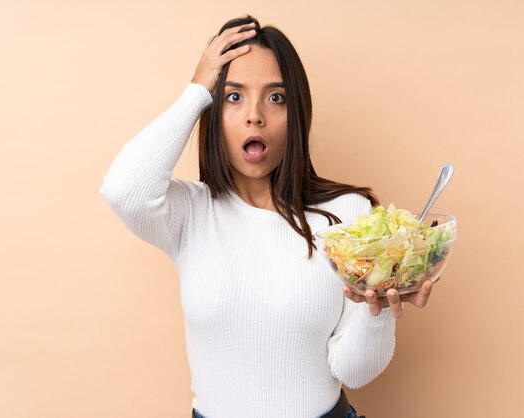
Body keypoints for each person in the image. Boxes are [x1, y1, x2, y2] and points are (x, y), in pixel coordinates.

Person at [100, 15, 432, 418]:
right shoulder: (190, 212)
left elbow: (354, 371)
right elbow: (123, 189)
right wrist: (197, 90)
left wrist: (377, 311)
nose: (254, 115)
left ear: (298, 113)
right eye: (233, 97)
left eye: (276, 98)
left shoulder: (347, 214)